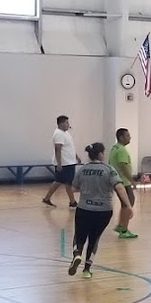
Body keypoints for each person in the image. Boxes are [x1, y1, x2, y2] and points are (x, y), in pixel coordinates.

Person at [68, 142, 132, 279]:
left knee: (79, 235)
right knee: (94, 238)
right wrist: (128, 206)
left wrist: (86, 189)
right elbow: (119, 187)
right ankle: (86, 270)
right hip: (104, 211)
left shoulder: (82, 169)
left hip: (84, 208)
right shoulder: (108, 169)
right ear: (101, 154)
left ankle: (77, 253)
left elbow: (73, 188)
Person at [43, 115, 80, 208]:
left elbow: (70, 147)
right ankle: (48, 199)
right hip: (64, 163)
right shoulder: (58, 134)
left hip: (69, 162)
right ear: (61, 123)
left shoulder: (66, 133)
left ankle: (72, 201)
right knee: (60, 181)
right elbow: (58, 149)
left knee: (66, 182)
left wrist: (76, 157)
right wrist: (59, 163)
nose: (68, 124)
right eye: (67, 122)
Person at [108, 128, 138, 239]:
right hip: (123, 182)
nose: (129, 137)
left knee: (124, 204)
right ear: (121, 137)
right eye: (127, 136)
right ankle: (124, 230)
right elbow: (123, 166)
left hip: (116, 180)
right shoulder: (121, 150)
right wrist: (132, 180)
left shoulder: (114, 148)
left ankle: (120, 225)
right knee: (128, 204)